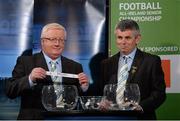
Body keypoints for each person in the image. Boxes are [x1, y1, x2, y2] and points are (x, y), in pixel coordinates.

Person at [5, 23, 89, 120]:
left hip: (66, 118)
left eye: (61, 40)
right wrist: (30, 79)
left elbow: (80, 101)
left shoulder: (75, 66)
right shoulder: (25, 62)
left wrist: (84, 88)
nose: (57, 44)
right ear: (43, 41)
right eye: (53, 39)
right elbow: (10, 91)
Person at [99, 19, 166, 119]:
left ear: (137, 39)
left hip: (140, 117)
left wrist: (141, 107)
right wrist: (104, 101)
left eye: (127, 38)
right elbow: (102, 91)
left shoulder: (151, 61)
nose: (123, 42)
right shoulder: (106, 63)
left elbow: (159, 93)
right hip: (112, 117)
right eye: (119, 37)